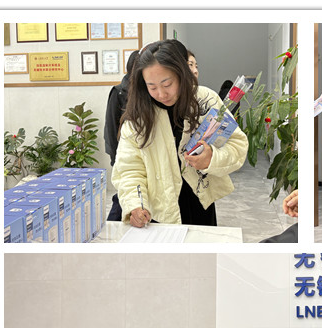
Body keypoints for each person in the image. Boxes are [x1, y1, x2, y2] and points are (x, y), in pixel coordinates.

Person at [113, 39, 247, 227]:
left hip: (199, 204)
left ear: (181, 74)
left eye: (167, 84)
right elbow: (129, 168)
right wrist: (135, 205)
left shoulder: (205, 100)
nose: (161, 94)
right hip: (157, 210)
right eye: (152, 87)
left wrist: (212, 158)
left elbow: (237, 145)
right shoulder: (138, 117)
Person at [104, 50, 140, 221]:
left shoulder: (144, 92)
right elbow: (111, 128)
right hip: (122, 154)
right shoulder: (118, 92)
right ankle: (112, 223)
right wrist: (115, 158)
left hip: (138, 154)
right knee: (122, 195)